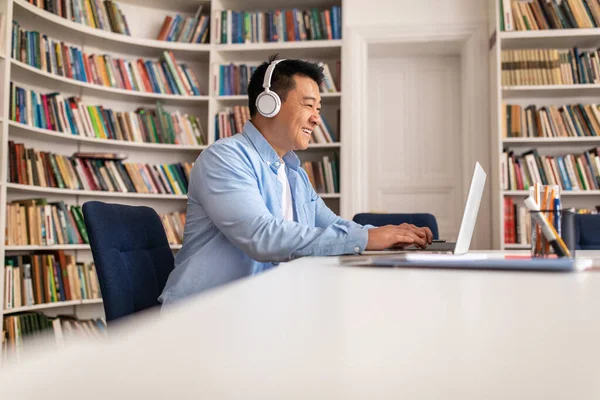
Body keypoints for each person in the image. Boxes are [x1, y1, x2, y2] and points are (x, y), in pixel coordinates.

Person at [159, 55, 432, 307]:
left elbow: (332, 225)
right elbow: (261, 236)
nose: (316, 118)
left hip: (260, 311)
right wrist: (366, 237)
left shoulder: (293, 173)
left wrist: (392, 237)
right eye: (309, 105)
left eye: (319, 108)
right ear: (269, 103)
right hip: (204, 315)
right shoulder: (225, 158)